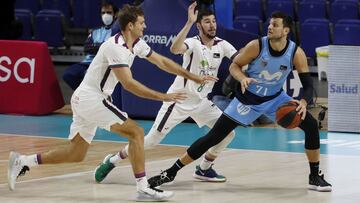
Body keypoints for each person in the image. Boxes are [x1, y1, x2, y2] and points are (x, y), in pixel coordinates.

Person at [7, 4, 216, 201]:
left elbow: (162, 61)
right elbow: (129, 84)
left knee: (76, 153)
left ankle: (23, 161)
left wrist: (192, 76)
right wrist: (163, 96)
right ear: (131, 26)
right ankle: (143, 187)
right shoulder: (113, 47)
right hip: (91, 97)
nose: (145, 26)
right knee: (136, 132)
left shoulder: (137, 43)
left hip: (86, 99)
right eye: (142, 23)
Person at [148, 11, 332, 192]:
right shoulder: (256, 46)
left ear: (285, 31)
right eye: (269, 24)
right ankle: (171, 172)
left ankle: (314, 176)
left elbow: (308, 85)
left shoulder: (295, 53)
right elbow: (234, 65)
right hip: (246, 100)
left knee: (311, 125)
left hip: (275, 99)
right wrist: (242, 78)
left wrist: (303, 102)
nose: (269, 27)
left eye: (275, 25)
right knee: (214, 137)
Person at [94, 2, 237, 184]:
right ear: (199, 26)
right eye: (207, 22)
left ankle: (204, 168)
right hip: (178, 100)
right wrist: (188, 23)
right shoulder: (192, 43)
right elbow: (174, 49)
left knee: (227, 133)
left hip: (201, 102)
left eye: (214, 21)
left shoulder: (222, 45)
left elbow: (239, 59)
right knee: (151, 141)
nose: (213, 25)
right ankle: (112, 160)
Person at [63, 2, 118, 90]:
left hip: (103, 63)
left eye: (109, 12)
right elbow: (87, 48)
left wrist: (95, 45)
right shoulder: (95, 31)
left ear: (115, 14)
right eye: (103, 13)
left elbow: (110, 49)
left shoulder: (117, 32)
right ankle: (83, 92)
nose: (106, 15)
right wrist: (101, 46)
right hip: (87, 62)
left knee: (90, 76)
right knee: (68, 74)